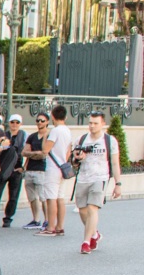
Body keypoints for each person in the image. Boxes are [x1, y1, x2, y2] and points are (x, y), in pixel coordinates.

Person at [70, 111, 122, 254]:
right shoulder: (81, 139)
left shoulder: (109, 141)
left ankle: (86, 242)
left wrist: (118, 184)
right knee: (82, 210)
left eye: (95, 123)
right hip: (83, 177)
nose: (92, 126)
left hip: (100, 177)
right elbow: (74, 162)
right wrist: (77, 158)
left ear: (103, 124)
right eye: (90, 123)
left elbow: (115, 163)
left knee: (92, 208)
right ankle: (94, 234)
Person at [37, 105, 73, 237]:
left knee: (51, 198)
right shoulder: (67, 131)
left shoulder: (55, 131)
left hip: (53, 168)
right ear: (65, 117)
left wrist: (45, 137)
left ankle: (50, 226)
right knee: (60, 197)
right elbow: (69, 150)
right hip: (63, 167)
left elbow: (45, 150)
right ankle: (60, 226)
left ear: (52, 116)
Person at [0, 113, 26, 227]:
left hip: (16, 169)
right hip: (3, 168)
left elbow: (25, 151)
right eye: (12, 122)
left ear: (20, 124)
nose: (14, 125)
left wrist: (23, 167)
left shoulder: (23, 136)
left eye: (17, 122)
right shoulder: (3, 135)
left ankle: (8, 217)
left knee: (13, 195)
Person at [20, 112, 50, 229]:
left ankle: (47, 220)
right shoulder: (32, 136)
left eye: (42, 120)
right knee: (32, 197)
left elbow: (44, 154)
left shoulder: (49, 136)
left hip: (42, 170)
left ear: (47, 122)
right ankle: (36, 219)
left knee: (43, 197)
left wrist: (35, 154)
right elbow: (24, 152)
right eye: (38, 120)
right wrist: (35, 153)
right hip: (30, 169)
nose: (39, 123)